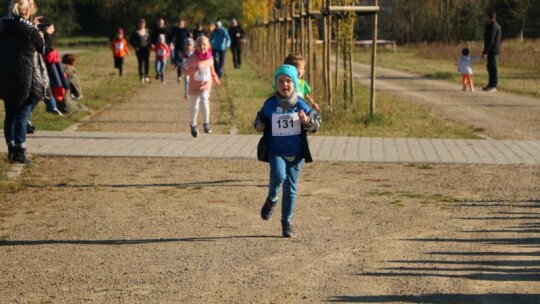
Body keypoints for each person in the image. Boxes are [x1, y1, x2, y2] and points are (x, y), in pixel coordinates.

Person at [254, 64, 321, 237]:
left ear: (295, 84)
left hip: (297, 154)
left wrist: (306, 120)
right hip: (276, 151)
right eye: (281, 81)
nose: (285, 84)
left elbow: (316, 125)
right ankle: (272, 198)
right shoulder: (270, 105)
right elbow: (259, 116)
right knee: (278, 174)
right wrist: (258, 125)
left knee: (291, 189)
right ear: (275, 84)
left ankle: (286, 221)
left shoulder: (301, 104)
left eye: (289, 81)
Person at [0, 0, 48, 163]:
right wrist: (43, 33)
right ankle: (21, 151)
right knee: (22, 114)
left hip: (5, 75)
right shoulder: (30, 30)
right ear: (27, 11)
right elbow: (43, 48)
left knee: (10, 114)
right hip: (26, 77)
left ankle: (12, 149)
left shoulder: (2, 25)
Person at [182, 36, 220, 137]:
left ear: (208, 46)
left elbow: (212, 70)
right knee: (194, 107)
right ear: (196, 47)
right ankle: (193, 125)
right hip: (194, 86)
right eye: (199, 45)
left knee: (204, 99)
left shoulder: (210, 58)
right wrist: (193, 69)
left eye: (204, 45)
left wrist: (216, 79)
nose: (202, 47)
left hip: (205, 84)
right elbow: (184, 70)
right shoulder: (193, 58)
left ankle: (206, 123)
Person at [482, 8, 502, 92]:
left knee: (493, 67)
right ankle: (490, 84)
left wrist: (485, 52)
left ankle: (494, 85)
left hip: (493, 50)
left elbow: (491, 41)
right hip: (490, 50)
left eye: (486, 16)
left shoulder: (494, 27)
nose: (485, 18)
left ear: (490, 17)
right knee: (489, 67)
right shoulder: (490, 25)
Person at [129, 18, 151, 83]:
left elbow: (149, 39)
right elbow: (131, 40)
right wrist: (135, 47)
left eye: (143, 24)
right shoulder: (136, 32)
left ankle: (146, 75)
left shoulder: (147, 31)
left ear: (145, 24)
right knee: (140, 63)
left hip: (146, 49)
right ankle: (141, 76)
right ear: (138, 24)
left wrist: (150, 45)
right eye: (140, 24)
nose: (141, 25)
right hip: (139, 49)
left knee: (147, 62)